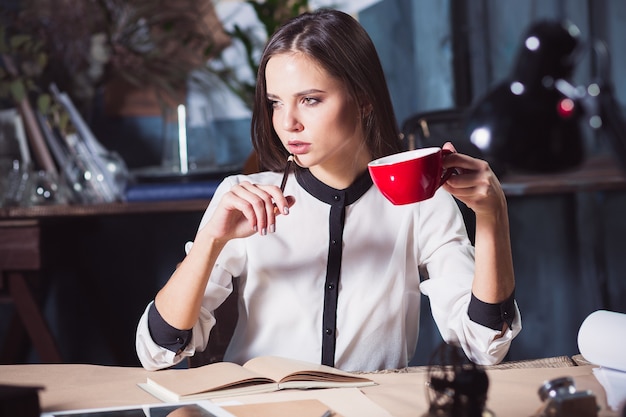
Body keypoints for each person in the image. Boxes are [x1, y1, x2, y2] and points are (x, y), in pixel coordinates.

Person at [136, 8, 521, 372]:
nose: (288, 123)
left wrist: (491, 216)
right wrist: (209, 242)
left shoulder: (422, 203)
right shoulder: (242, 198)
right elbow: (157, 352)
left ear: (364, 98)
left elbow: (484, 343)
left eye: (310, 100)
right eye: (275, 103)